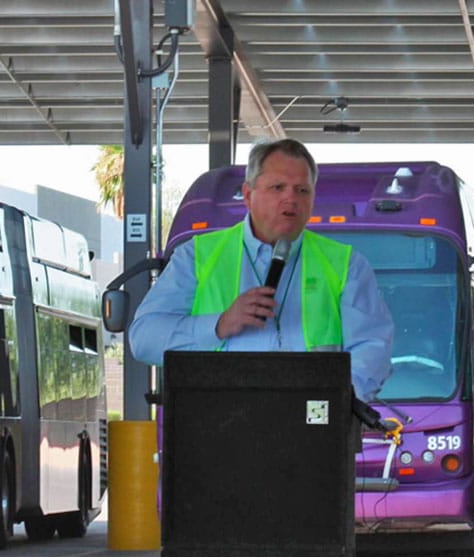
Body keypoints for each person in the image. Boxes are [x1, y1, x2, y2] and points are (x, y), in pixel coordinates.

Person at [128, 138, 393, 400]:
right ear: (247, 195)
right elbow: (144, 339)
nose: (290, 199)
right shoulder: (196, 257)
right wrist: (219, 325)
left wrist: (338, 399)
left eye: (302, 190)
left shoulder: (345, 264)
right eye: (277, 187)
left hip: (313, 429)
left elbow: (373, 348)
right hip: (216, 426)